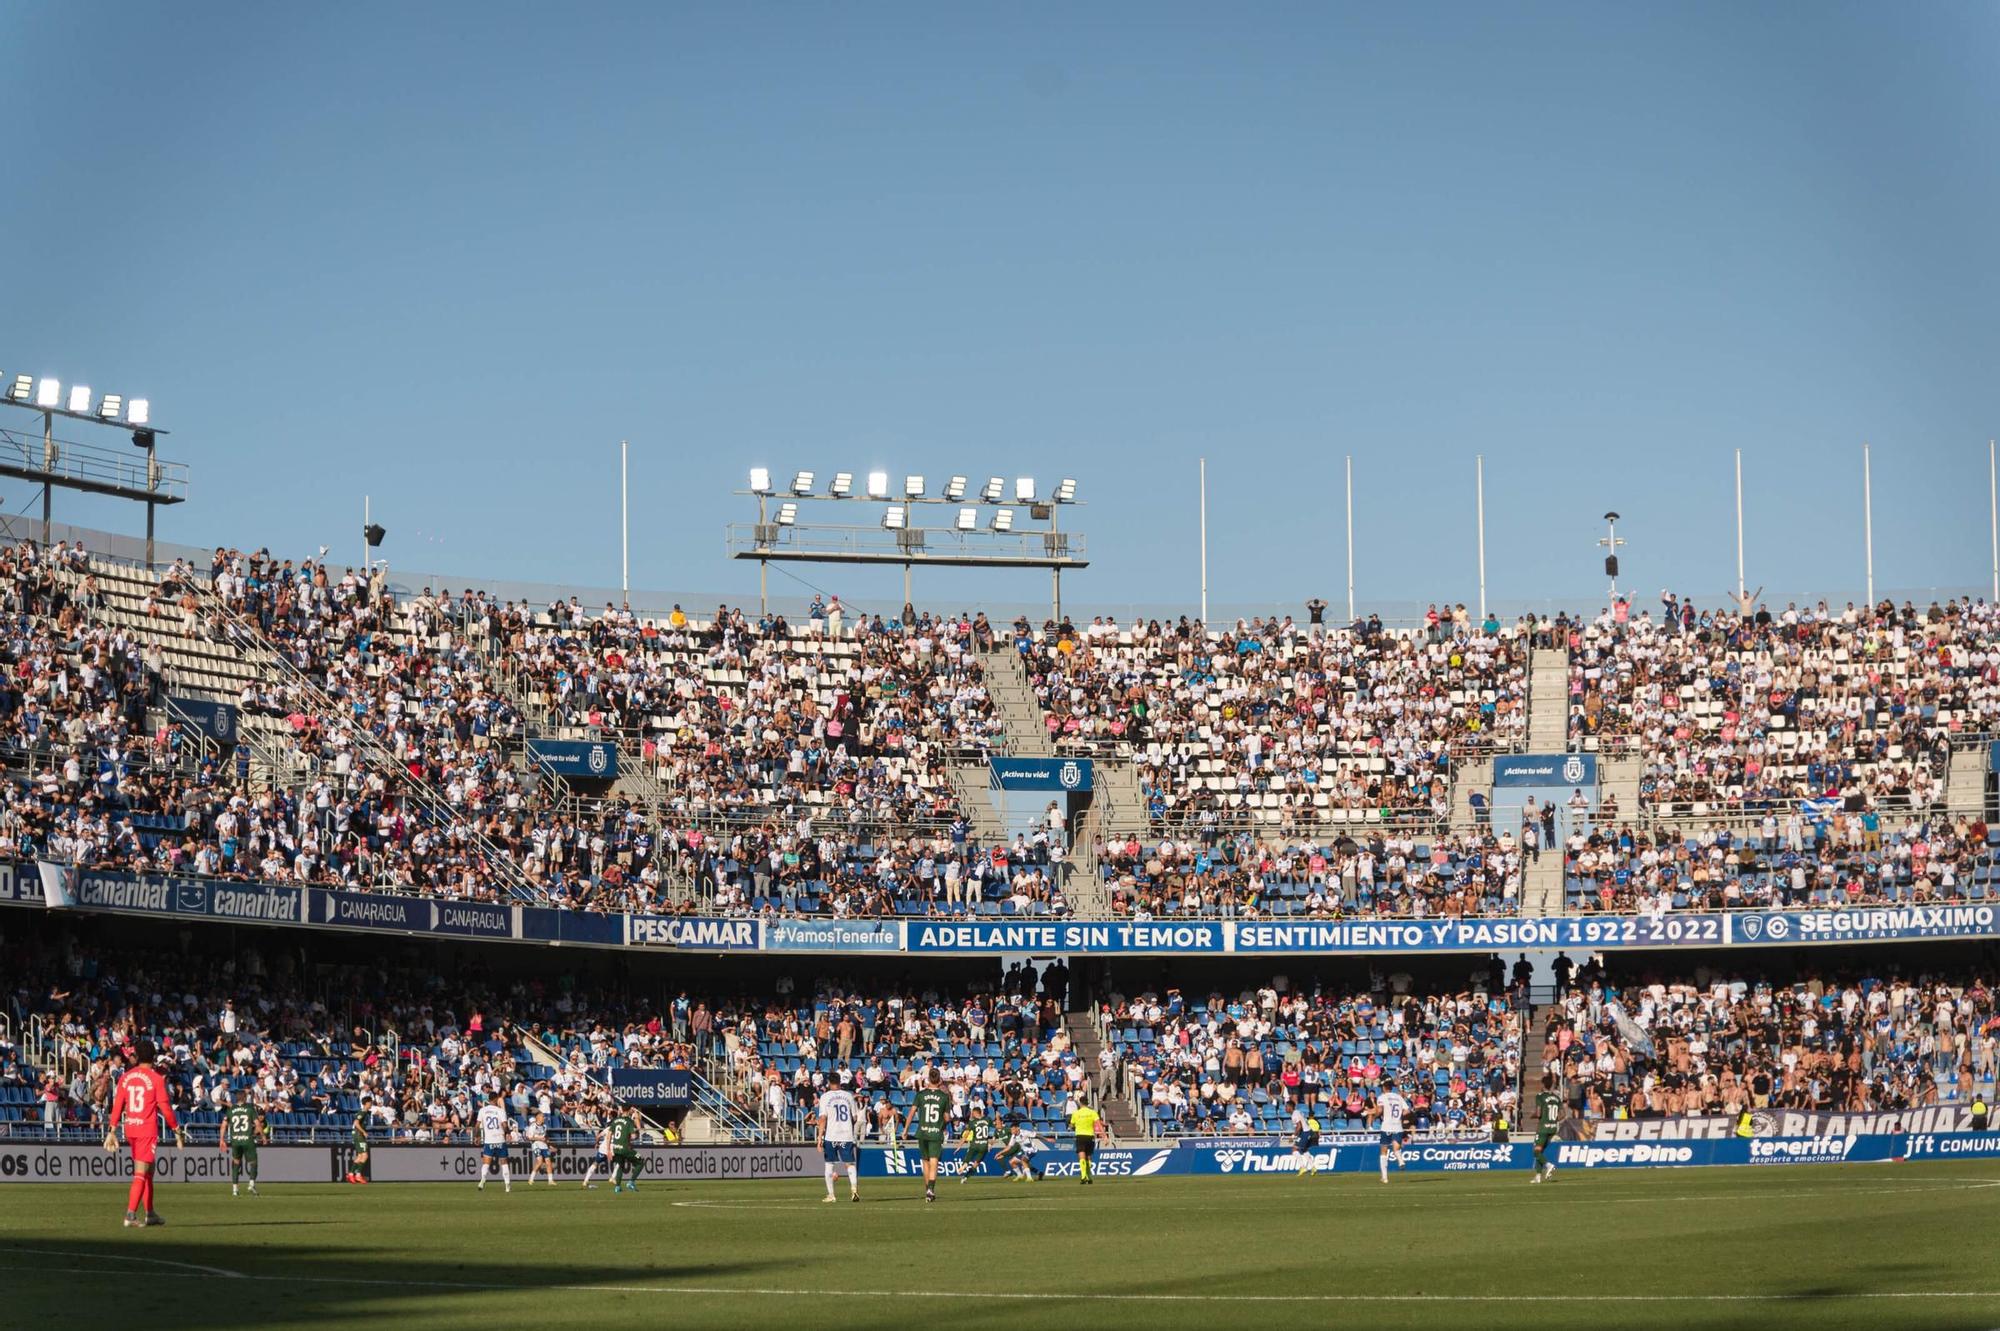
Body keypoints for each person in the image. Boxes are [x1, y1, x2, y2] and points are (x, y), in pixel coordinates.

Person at [113, 1039, 182, 1228]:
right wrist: (176, 1129)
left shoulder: (126, 1077)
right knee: (141, 1172)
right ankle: (130, 1214)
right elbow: (165, 1108)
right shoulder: (156, 1079)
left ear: (136, 1056)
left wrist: (112, 1128)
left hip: (131, 1127)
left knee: (149, 1171)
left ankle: (150, 1213)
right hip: (146, 1129)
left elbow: (118, 1104)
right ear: (153, 1057)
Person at [902, 1067, 951, 1203]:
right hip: (935, 1133)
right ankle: (931, 1189)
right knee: (934, 1161)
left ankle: (927, 1190)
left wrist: (905, 1130)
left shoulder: (921, 1095)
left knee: (925, 1161)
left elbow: (911, 1112)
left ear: (928, 1079)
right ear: (940, 1080)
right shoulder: (944, 1097)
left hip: (922, 1132)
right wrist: (943, 1124)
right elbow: (947, 1118)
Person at [817, 1078, 862, 1204]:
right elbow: (854, 1117)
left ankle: (831, 1195)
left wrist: (819, 1138)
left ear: (829, 1083)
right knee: (850, 1163)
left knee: (829, 1164)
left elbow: (823, 1118)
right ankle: (854, 1189)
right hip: (846, 1135)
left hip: (831, 1136)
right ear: (839, 1082)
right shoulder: (848, 1096)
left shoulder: (825, 1097)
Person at [219, 1091, 265, 1197]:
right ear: (244, 1098)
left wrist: (221, 1139)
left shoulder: (231, 1110)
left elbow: (223, 1125)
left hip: (235, 1141)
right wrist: (263, 1136)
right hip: (247, 1140)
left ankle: (235, 1190)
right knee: (253, 1163)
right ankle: (251, 1184)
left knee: (236, 1163)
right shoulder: (249, 1109)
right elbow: (258, 1124)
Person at [1531, 1074, 1564, 1183]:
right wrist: (1553, 1121)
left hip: (1543, 1128)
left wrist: (1532, 1115)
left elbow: (1538, 1113)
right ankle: (1538, 1176)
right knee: (1540, 1152)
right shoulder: (1557, 1098)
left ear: (1543, 1084)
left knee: (1536, 1152)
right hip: (1553, 1128)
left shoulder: (1540, 1096)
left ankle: (1548, 1165)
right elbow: (1563, 1114)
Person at [476, 1091, 511, 1193]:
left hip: (489, 1141)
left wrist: (477, 1136)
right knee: (504, 1163)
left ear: (488, 1099)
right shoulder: (500, 1111)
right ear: (496, 1099)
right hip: (500, 1140)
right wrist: (508, 1133)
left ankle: (483, 1179)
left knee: (486, 1163)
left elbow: (477, 1125)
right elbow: (504, 1125)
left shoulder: (482, 1110)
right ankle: (507, 1185)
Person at [1067, 1094, 1104, 1185]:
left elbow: (1071, 1125)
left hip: (1080, 1136)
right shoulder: (1092, 1112)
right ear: (1087, 1103)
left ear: (1080, 1103)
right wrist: (1104, 1136)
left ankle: (1083, 1176)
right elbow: (1099, 1124)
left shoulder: (1076, 1113)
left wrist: (1071, 1126)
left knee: (1082, 1155)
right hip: (1090, 1136)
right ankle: (1089, 1176)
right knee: (1089, 1156)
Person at [1375, 1087, 1409, 1182]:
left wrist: (1374, 1117)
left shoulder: (1382, 1097)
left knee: (1384, 1151)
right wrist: (1399, 1117)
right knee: (1396, 1148)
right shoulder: (1398, 1097)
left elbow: (1380, 1110)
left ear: (1384, 1088)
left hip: (1386, 1126)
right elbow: (1407, 1110)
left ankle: (1384, 1177)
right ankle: (1401, 1161)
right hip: (1397, 1126)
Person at [608, 1108, 642, 1193]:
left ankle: (617, 1187)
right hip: (625, 1148)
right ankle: (631, 1182)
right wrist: (637, 1130)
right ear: (628, 1110)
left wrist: (608, 1150)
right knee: (640, 1161)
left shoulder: (615, 1121)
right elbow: (633, 1136)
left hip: (616, 1148)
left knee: (620, 1165)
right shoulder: (629, 1121)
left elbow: (609, 1135)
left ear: (622, 1110)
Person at [959, 1103, 994, 1183]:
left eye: (972, 1113)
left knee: (968, 1159)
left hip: (975, 1144)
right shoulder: (988, 1119)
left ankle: (964, 1165)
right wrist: (991, 1142)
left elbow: (966, 1135)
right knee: (976, 1164)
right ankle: (965, 1178)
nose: (972, 1115)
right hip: (984, 1145)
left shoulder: (972, 1122)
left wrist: (959, 1145)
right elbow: (994, 1129)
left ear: (975, 1113)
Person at [346, 1097, 372, 1185]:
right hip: (358, 1135)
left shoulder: (365, 1113)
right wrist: (363, 1132)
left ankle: (351, 1174)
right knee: (365, 1155)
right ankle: (357, 1175)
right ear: (366, 1103)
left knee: (360, 1156)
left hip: (357, 1135)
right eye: (370, 1103)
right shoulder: (362, 1112)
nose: (371, 1104)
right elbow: (356, 1123)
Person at [581, 1120, 613, 1190]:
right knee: (620, 1161)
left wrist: (597, 1143)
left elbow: (598, 1136)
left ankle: (585, 1181)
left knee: (595, 1163)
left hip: (603, 1149)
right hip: (612, 1149)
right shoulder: (619, 1129)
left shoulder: (608, 1129)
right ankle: (613, 1177)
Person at [526, 1111, 556, 1185]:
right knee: (539, 1161)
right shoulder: (532, 1127)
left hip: (544, 1146)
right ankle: (531, 1179)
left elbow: (545, 1137)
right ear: (538, 1118)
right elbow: (530, 1138)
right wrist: (539, 1139)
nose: (544, 1118)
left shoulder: (544, 1126)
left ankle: (550, 1180)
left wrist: (549, 1145)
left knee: (548, 1162)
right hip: (536, 1145)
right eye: (543, 1117)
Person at [1294, 1109, 1322, 1178]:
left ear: (1309, 1115)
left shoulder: (1307, 1121)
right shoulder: (1317, 1121)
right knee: (1304, 1149)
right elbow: (1319, 1132)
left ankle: (1303, 1167)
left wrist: (1296, 1135)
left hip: (1306, 1135)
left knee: (1296, 1148)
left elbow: (1302, 1128)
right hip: (1314, 1136)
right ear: (1313, 1115)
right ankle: (1313, 1167)